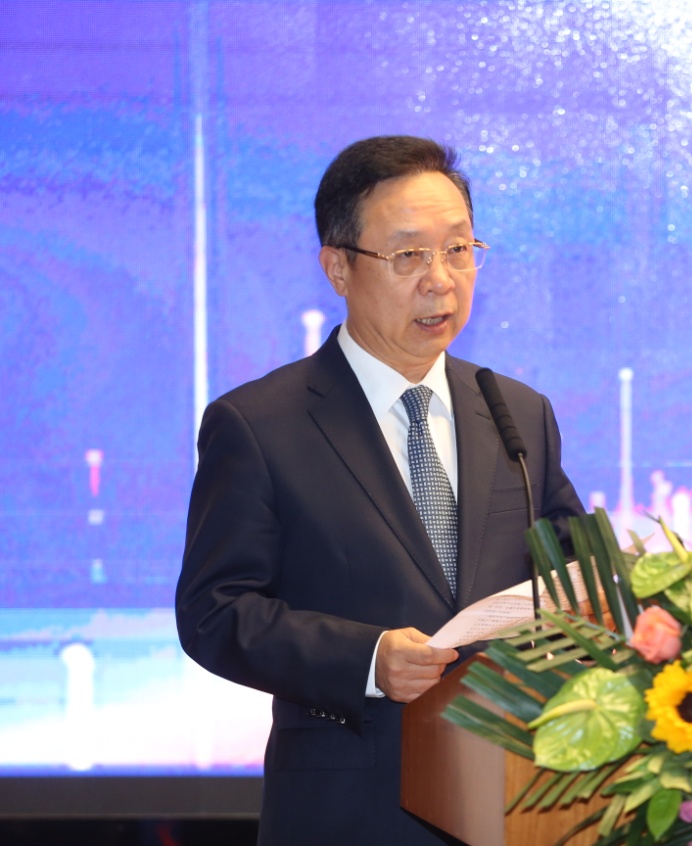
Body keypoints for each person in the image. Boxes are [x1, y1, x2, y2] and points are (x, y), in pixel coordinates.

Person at [175, 136, 585, 845]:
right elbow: (215, 612)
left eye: (458, 250)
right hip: (349, 811)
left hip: (515, 804)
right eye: (408, 255)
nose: (441, 280)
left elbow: (579, 576)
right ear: (338, 267)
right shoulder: (260, 424)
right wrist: (365, 659)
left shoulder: (517, 413)